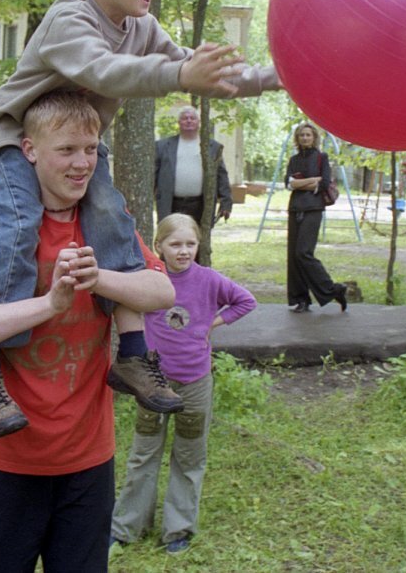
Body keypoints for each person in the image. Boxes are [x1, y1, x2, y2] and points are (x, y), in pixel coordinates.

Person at [0, 0, 279, 438]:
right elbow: (102, 71)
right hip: (20, 145)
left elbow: (199, 69)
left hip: (81, 148)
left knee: (113, 221)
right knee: (16, 229)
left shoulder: (143, 28)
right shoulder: (71, 18)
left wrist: (280, 76)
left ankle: (133, 354)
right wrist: (180, 74)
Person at [0, 90, 175, 573]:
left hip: (87, 455)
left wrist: (100, 279)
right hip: (4, 455)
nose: (82, 164)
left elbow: (161, 292)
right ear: (30, 151)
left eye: (91, 150)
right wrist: (48, 304)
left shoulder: (106, 228)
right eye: (67, 150)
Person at [110, 213, 257, 555]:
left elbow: (245, 301)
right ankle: (127, 527)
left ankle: (178, 529)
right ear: (158, 246)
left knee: (189, 455)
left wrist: (213, 324)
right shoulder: (149, 280)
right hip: (153, 381)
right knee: (144, 452)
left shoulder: (208, 280)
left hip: (194, 382)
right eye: (175, 244)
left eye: (190, 244)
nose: (184, 251)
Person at [284, 122, 349, 313]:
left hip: (313, 209)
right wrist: (311, 180)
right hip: (295, 208)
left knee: (303, 253)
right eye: (302, 135)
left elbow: (324, 183)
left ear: (314, 138)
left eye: (308, 135)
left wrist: (299, 183)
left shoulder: (322, 157)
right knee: (293, 257)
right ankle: (301, 299)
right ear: (298, 138)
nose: (305, 138)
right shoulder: (293, 159)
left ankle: (333, 290)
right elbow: (288, 184)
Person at [154, 105, 233, 231]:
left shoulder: (212, 147)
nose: (189, 120)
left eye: (192, 118)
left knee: (198, 242)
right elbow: (152, 175)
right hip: (170, 204)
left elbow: (221, 176)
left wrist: (226, 203)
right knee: (170, 239)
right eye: (185, 118)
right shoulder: (162, 146)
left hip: (200, 205)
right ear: (179, 122)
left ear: (199, 122)